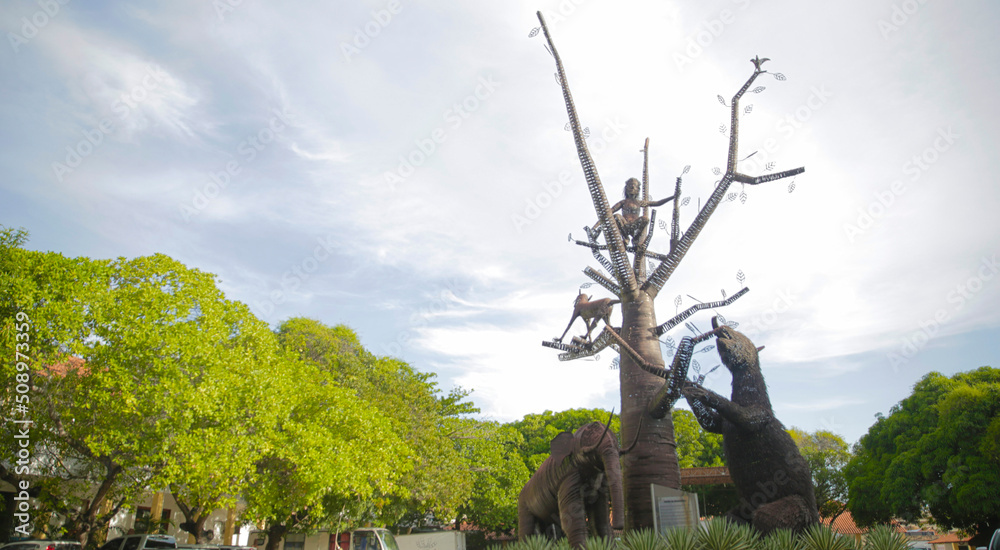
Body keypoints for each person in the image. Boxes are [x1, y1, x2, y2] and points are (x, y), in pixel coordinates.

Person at [592, 178, 676, 246]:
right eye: (630, 186)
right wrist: (596, 226)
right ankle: (625, 238)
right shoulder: (623, 202)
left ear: (637, 189)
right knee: (616, 216)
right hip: (624, 225)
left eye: (634, 186)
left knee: (645, 219)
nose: (632, 188)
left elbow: (657, 203)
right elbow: (609, 212)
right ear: (626, 189)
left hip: (634, 226)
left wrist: (673, 197)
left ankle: (635, 238)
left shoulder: (640, 203)